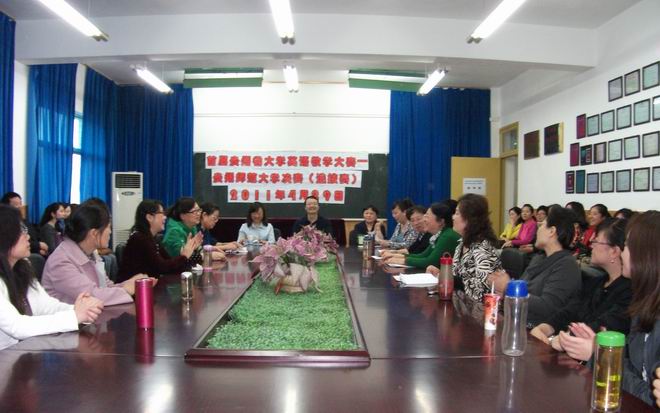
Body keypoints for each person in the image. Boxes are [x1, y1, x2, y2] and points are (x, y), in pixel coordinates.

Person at [559, 211, 660, 407]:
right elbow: (634, 368)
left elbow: (649, 396)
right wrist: (604, 349)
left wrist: (601, 357)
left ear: (646, 255)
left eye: (627, 246)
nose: (622, 253)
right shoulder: (643, 305)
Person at [0, 205, 104, 350]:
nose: (28, 236)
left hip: (22, 353)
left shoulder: (22, 267)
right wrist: (74, 316)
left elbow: (45, 306)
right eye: (21, 231)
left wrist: (80, 310)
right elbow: (17, 327)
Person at [530, 218, 632, 345]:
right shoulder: (595, 282)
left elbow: (603, 326)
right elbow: (569, 311)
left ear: (614, 251)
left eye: (595, 241)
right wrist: (545, 327)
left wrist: (564, 339)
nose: (590, 244)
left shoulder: (630, 292)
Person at [42, 204, 155, 306]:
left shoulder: (90, 253)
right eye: (108, 227)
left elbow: (106, 287)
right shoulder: (60, 261)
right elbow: (92, 296)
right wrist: (127, 289)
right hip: (71, 321)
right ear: (94, 233)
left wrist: (131, 284)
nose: (110, 232)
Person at [489, 206, 581, 327]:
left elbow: (547, 307)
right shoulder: (539, 258)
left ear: (552, 231)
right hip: (516, 320)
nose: (538, 229)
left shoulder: (567, 266)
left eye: (542, 225)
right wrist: (502, 290)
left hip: (535, 330)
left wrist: (508, 287)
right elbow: (525, 290)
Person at [428, 194, 501, 301]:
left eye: (457, 213)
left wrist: (449, 279)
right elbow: (458, 276)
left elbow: (480, 293)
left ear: (469, 219)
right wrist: (441, 274)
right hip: (459, 304)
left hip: (479, 309)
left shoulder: (484, 249)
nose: (453, 217)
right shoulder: (461, 243)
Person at [117, 200, 200, 282]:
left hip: (150, 285)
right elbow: (161, 267)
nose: (165, 217)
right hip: (134, 288)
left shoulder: (153, 238)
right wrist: (184, 256)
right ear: (149, 217)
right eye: (162, 213)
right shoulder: (140, 238)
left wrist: (186, 253)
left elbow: (168, 263)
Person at [383, 203, 460, 269]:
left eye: (427, 216)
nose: (424, 220)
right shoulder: (439, 235)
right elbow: (423, 255)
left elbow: (430, 262)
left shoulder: (447, 236)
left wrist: (401, 260)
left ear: (440, 221)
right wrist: (396, 257)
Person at [1, 192, 48, 257]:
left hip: (32, 249)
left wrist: (38, 248)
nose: (20, 206)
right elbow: (14, 243)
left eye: (20, 203)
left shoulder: (24, 220)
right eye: (16, 204)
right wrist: (38, 246)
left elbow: (34, 236)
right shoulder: (6, 224)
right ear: (7, 206)